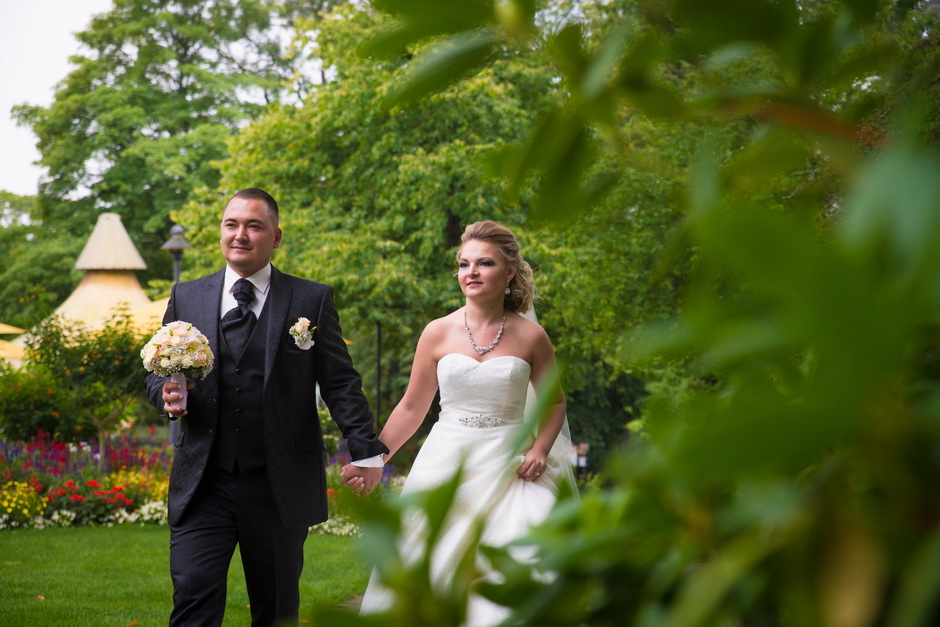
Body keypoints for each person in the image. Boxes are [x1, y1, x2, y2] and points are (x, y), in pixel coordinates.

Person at [145, 188, 388, 626]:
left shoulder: (309, 300)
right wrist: (164, 393)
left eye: (254, 226)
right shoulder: (187, 297)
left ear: (275, 238)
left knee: (276, 612)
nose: (240, 235)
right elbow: (158, 370)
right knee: (192, 602)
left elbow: (339, 382)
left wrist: (366, 451)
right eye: (231, 224)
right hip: (203, 483)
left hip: (278, 486)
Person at [347, 220, 577, 625]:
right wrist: (373, 459)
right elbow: (412, 408)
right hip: (447, 461)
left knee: (522, 565)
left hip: (512, 467)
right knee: (431, 565)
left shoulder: (532, 336)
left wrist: (540, 449)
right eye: (463, 263)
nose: (470, 272)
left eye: (484, 263)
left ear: (509, 273)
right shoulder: (436, 333)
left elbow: (554, 404)